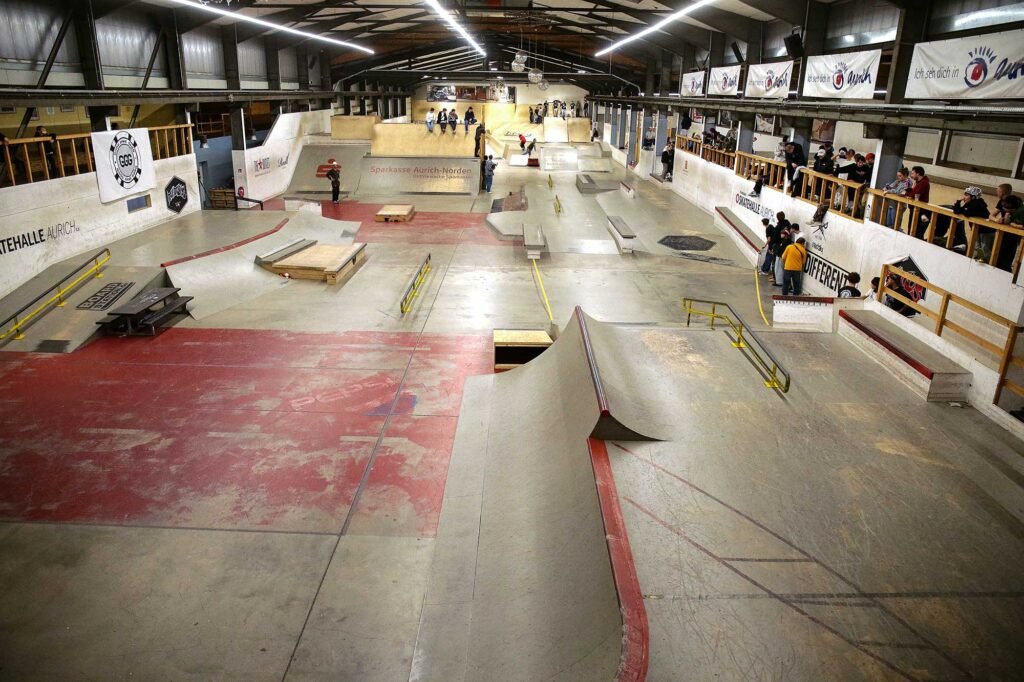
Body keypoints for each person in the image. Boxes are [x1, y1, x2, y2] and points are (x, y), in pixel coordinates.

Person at [950, 186, 989, 251]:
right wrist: (958, 202)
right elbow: (957, 211)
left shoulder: (978, 203)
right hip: (977, 230)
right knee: (976, 248)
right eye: (964, 194)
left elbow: (968, 213)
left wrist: (963, 211)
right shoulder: (968, 203)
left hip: (986, 231)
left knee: (985, 250)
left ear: (973, 197)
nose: (964, 197)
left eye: (966, 195)